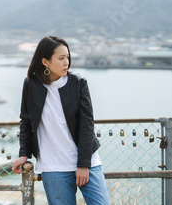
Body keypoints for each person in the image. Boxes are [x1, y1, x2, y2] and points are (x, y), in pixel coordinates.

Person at [12, 35, 110, 204]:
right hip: (53, 165)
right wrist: (24, 153)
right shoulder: (31, 85)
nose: (67, 62)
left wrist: (83, 165)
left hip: (87, 162)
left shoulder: (78, 83)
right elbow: (26, 121)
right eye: (61, 58)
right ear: (45, 62)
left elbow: (87, 126)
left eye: (68, 57)